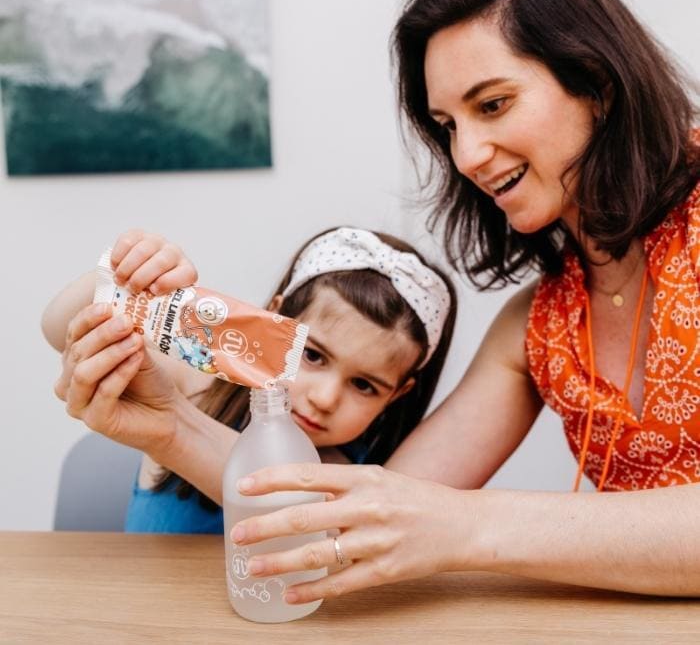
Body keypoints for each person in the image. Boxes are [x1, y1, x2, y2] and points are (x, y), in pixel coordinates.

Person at [214, 0, 700, 602]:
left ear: (598, 85)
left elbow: (434, 519)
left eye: (493, 105)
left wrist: (469, 526)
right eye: (447, 125)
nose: (466, 155)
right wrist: (157, 424)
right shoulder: (543, 324)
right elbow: (374, 512)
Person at [43, 226, 456, 533]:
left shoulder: (361, 484)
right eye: (312, 355)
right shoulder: (192, 387)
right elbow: (58, 330)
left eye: (364, 385)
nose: (326, 398)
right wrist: (127, 274)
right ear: (274, 318)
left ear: (398, 394)